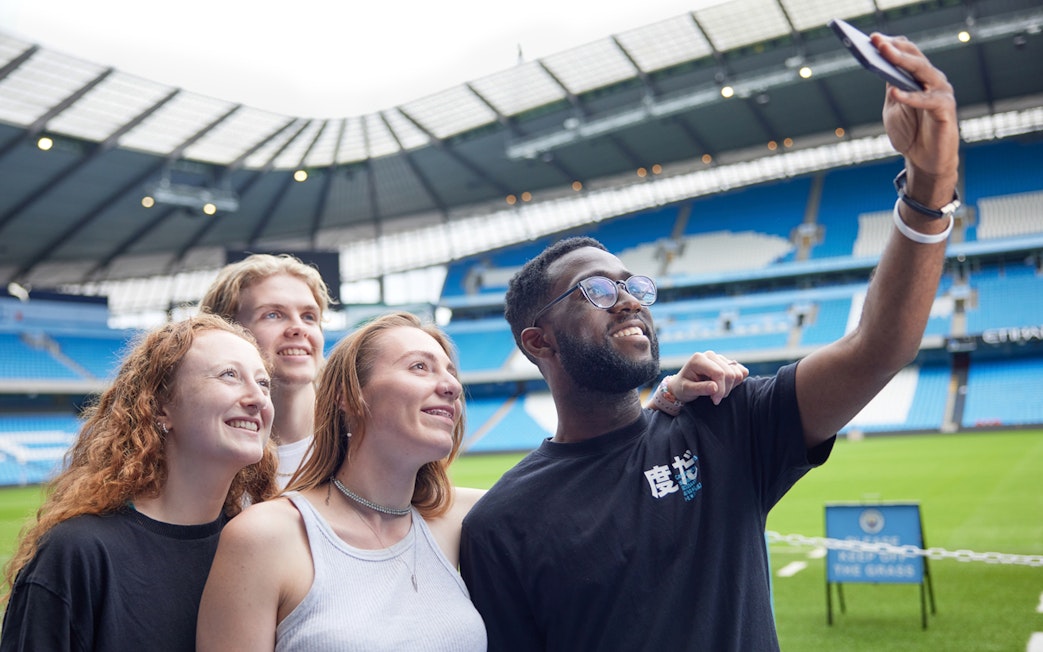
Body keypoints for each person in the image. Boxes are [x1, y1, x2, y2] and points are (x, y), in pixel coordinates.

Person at [459, 33, 960, 651]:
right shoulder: (501, 523)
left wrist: (929, 183)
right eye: (594, 290)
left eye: (634, 284)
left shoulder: (725, 422)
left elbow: (879, 348)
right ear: (539, 343)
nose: (629, 298)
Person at [196, 311, 486, 651]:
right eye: (419, 367)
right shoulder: (265, 536)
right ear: (349, 396)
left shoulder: (466, 519)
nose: (452, 386)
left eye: (451, 373)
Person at [0, 314, 278, 652]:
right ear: (161, 407)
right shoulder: (78, 553)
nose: (258, 398)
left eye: (263, 383)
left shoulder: (260, 549)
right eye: (229, 375)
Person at [200, 253, 332, 488]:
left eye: (309, 317)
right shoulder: (199, 453)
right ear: (226, 332)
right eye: (273, 314)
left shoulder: (359, 443)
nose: (298, 328)